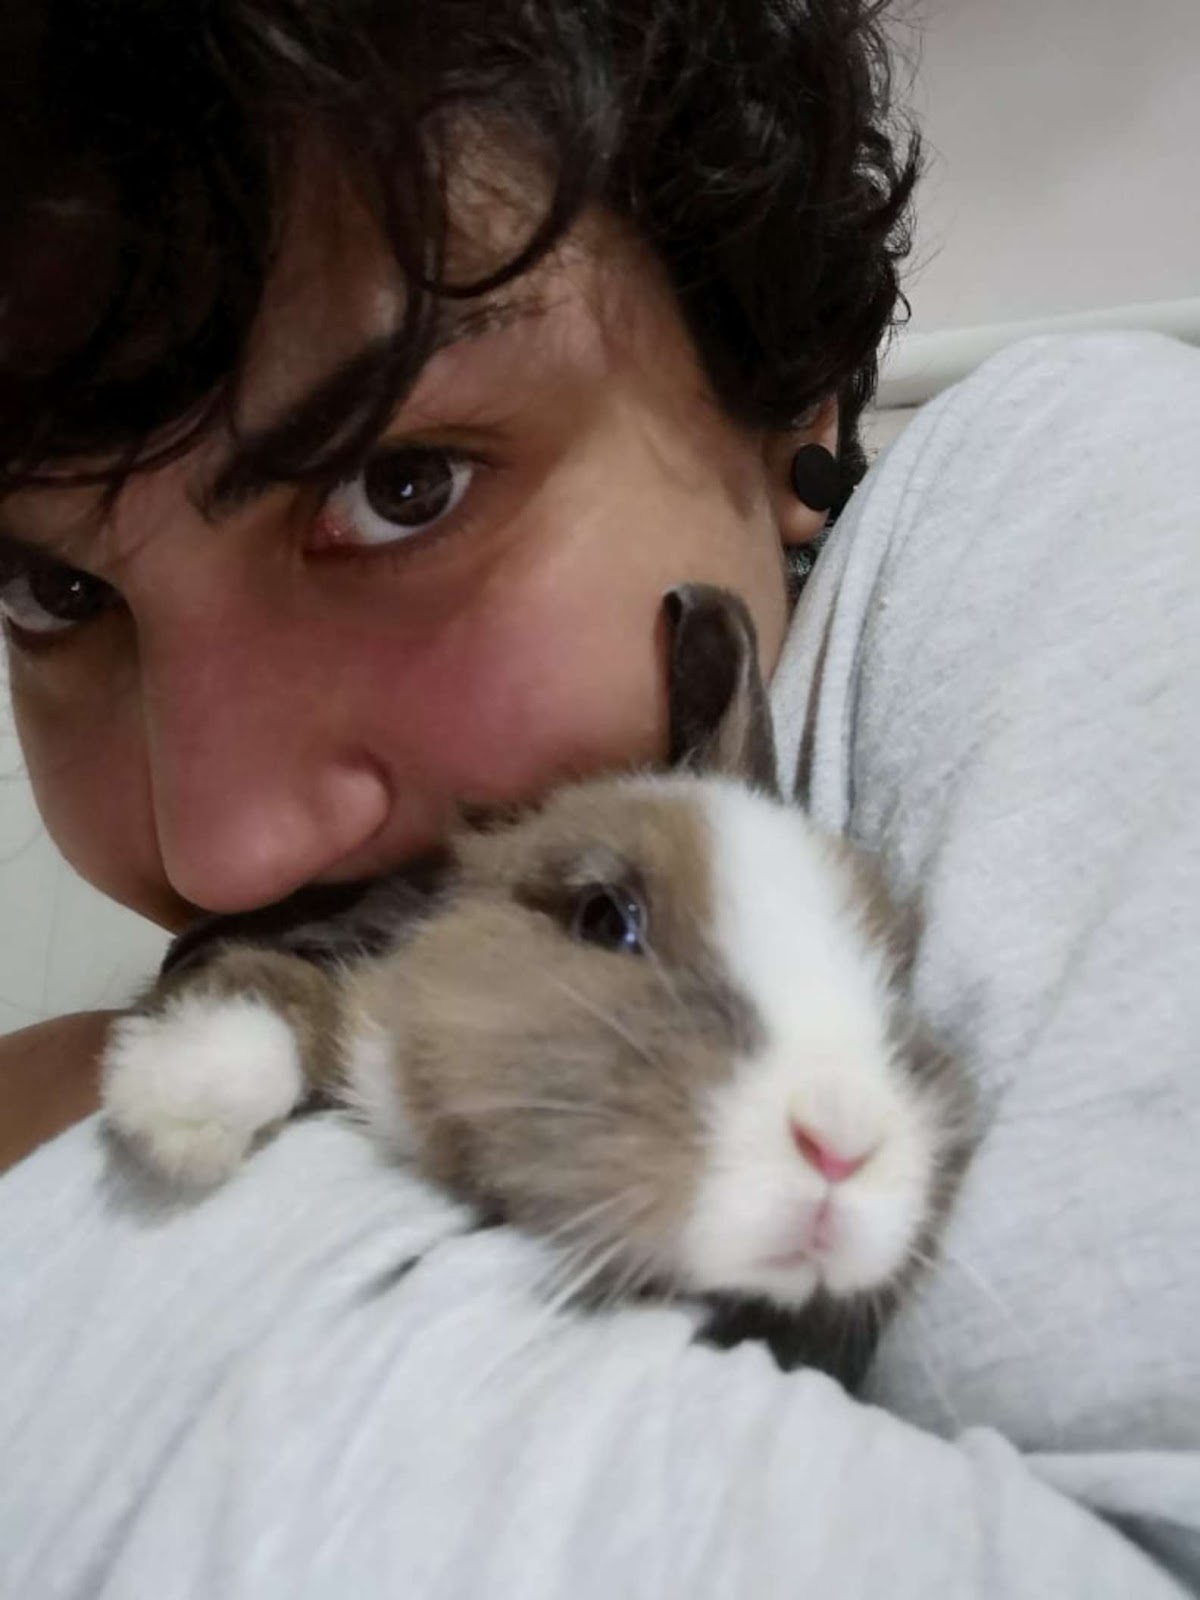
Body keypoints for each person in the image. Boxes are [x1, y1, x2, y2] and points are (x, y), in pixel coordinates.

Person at [1, 3, 1198, 1595]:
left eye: (401, 485)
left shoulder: (1071, 501)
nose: (218, 848)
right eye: (52, 592)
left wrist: (65, 1180)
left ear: (789, 400)